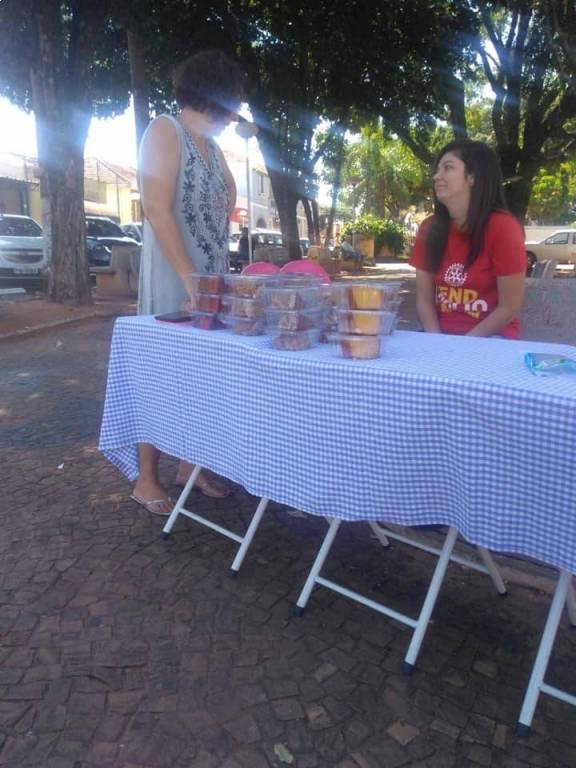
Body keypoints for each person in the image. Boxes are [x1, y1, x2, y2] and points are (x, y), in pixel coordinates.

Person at [132, 50, 244, 515]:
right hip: (175, 276)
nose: (237, 113)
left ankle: (188, 467)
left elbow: (229, 196)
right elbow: (156, 208)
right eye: (234, 101)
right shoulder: (165, 130)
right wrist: (189, 278)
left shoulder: (212, 147)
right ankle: (146, 478)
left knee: (201, 379)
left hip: (209, 280)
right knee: (160, 376)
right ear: (215, 96)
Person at [409, 139, 526, 339]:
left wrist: (461, 347)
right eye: (437, 170)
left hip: (491, 338)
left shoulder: (504, 228)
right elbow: (424, 301)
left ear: (472, 177)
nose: (437, 176)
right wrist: (437, 343)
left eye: (448, 168)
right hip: (440, 338)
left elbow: (508, 308)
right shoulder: (429, 228)